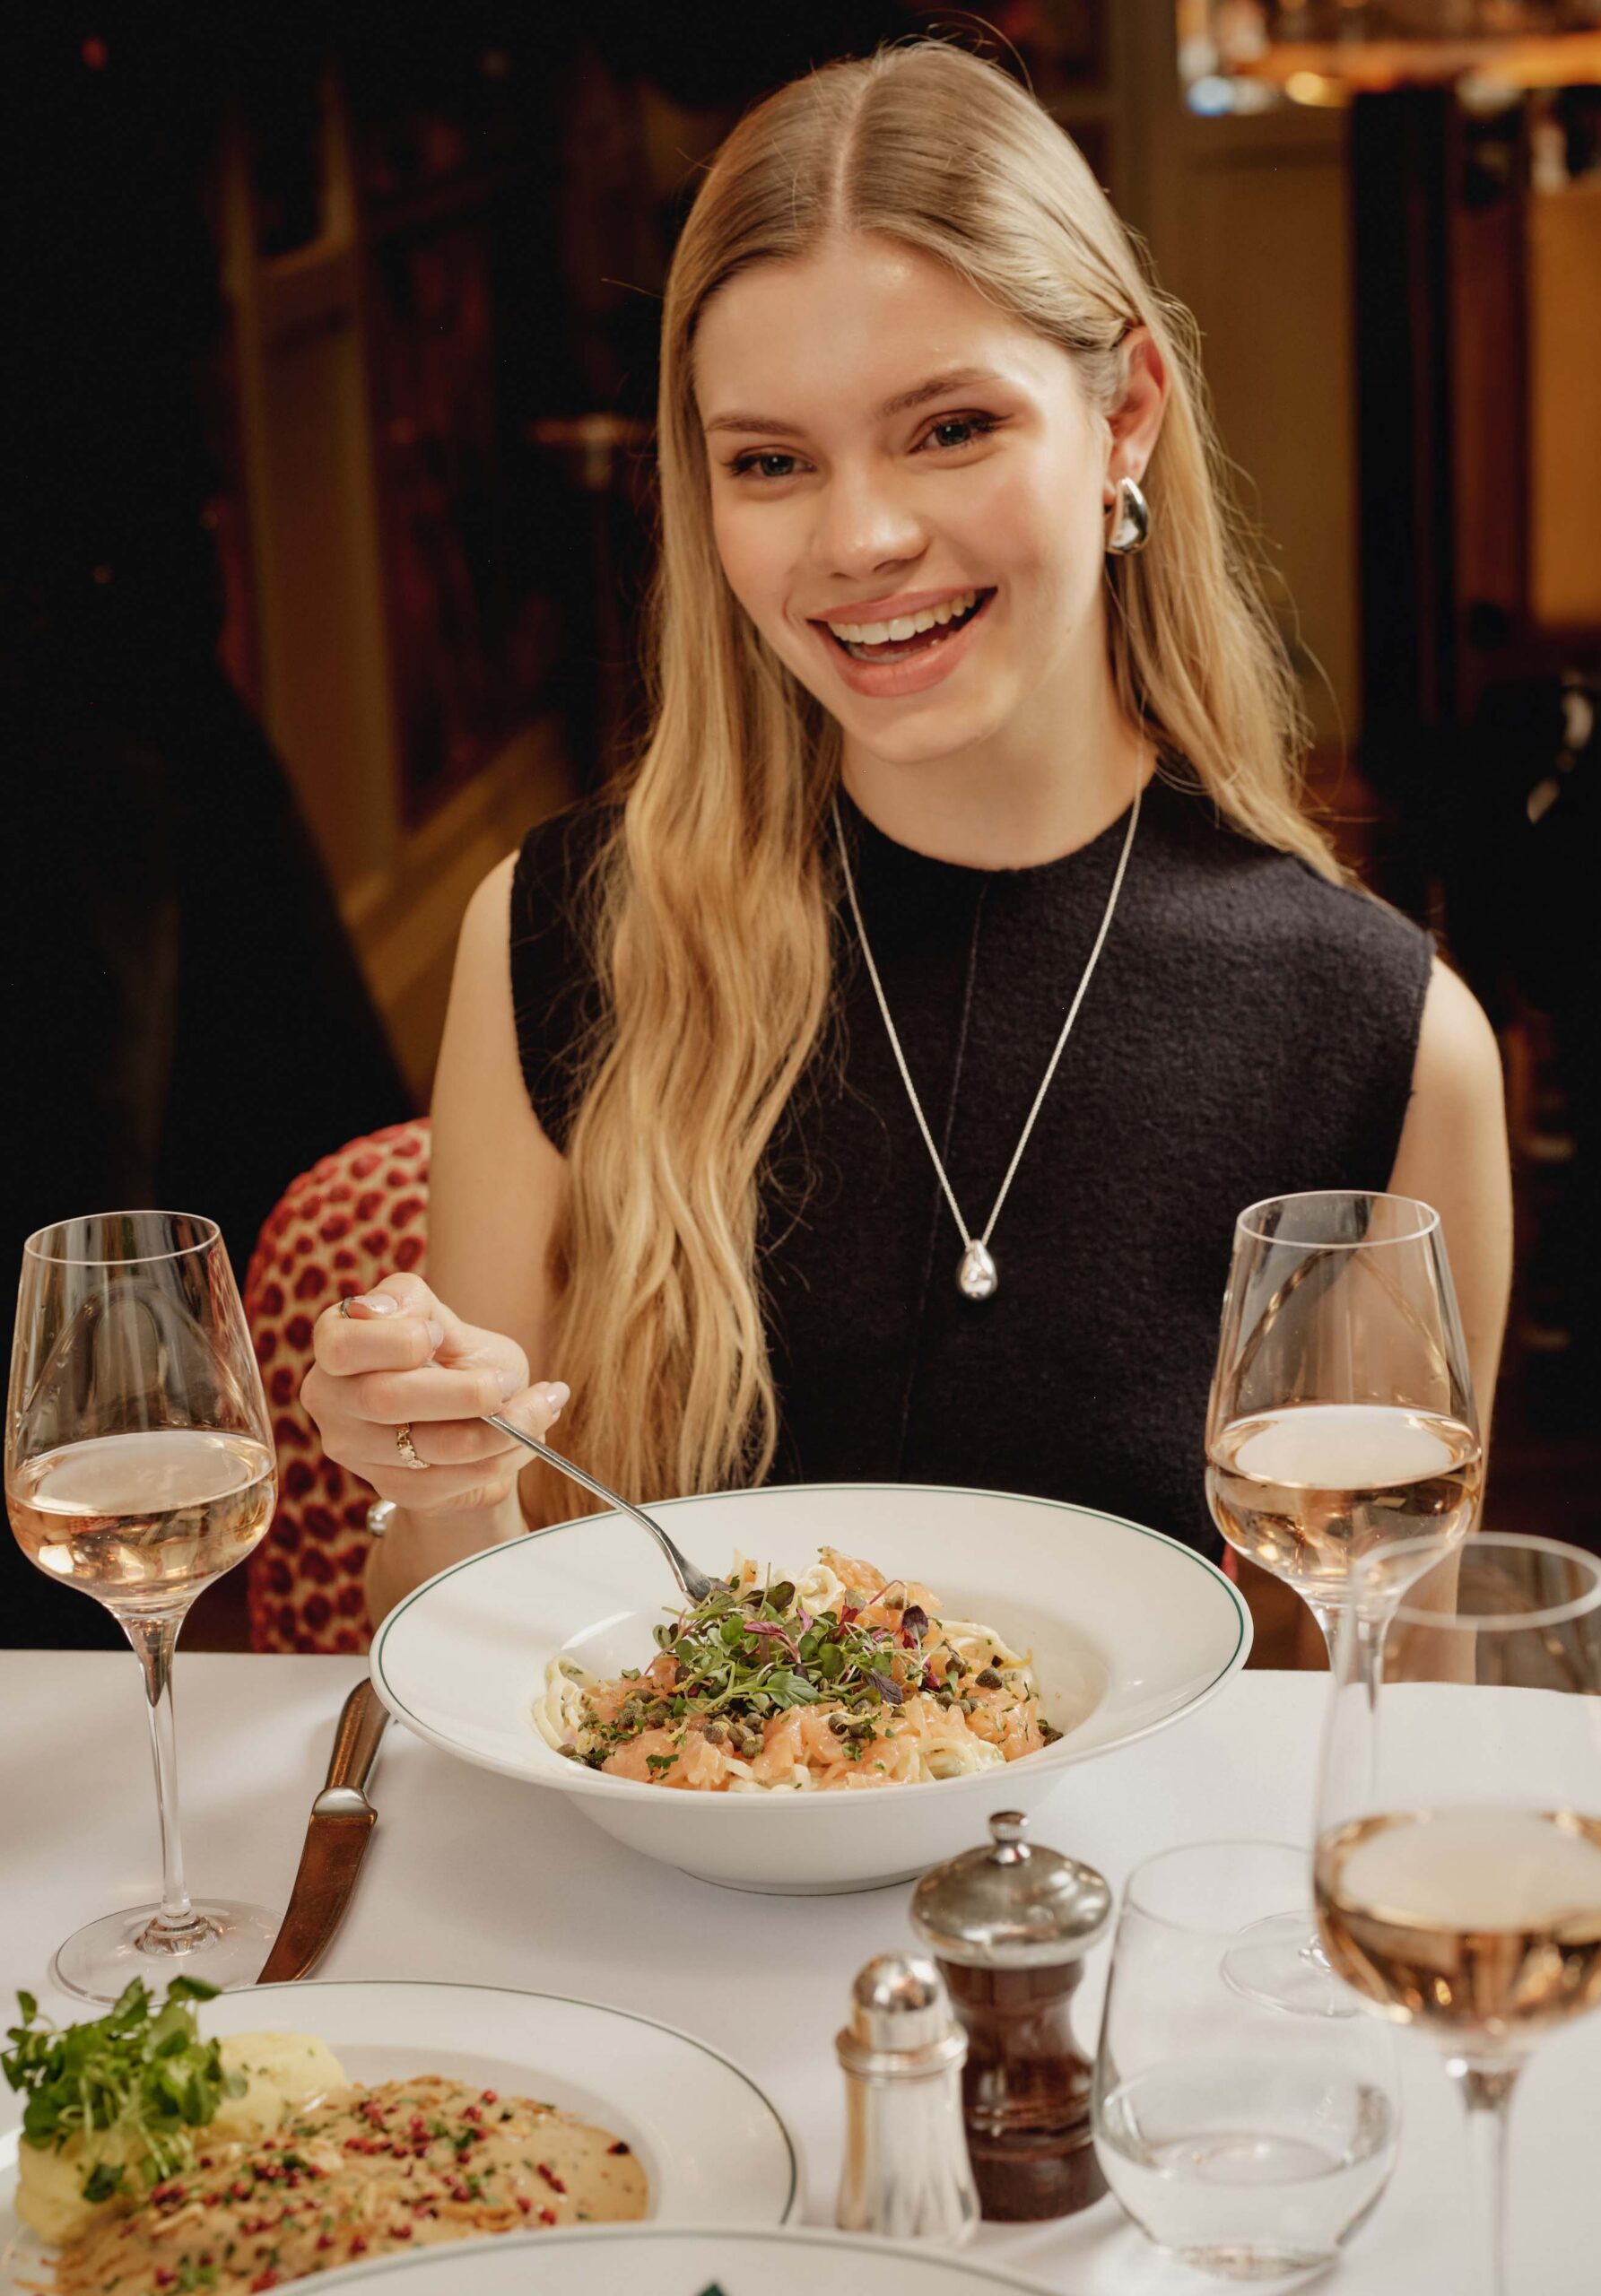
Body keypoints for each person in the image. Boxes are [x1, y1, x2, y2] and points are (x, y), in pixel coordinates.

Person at [300, 42, 1512, 1628]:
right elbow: (459, 1629)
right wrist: (439, 1483)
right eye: (770, 462)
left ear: (1124, 416)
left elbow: (1367, 1685)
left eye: (948, 429)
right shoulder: (555, 927)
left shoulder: (1385, 1036)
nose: (860, 538)